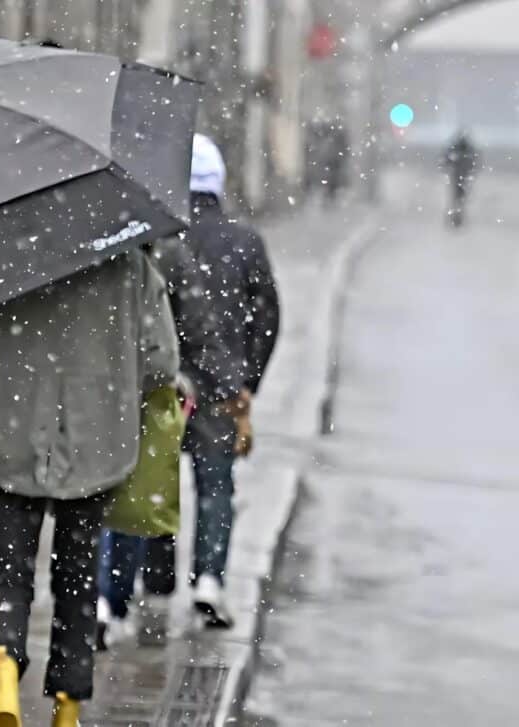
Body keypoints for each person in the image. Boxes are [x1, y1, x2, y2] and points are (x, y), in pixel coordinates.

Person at [0, 248, 178, 726]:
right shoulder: (127, 262)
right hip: (96, 436)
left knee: (8, 570)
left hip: (6, 431)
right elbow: (161, 361)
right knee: (77, 577)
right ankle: (67, 704)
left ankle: (4, 669)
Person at [95, 229, 243, 648]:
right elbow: (192, 337)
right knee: (129, 504)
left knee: (110, 504)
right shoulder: (159, 257)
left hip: (106, 402)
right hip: (133, 401)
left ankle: (108, 600)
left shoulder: (93, 249)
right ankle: (113, 601)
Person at [184, 134, 282, 627]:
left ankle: (153, 584)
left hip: (165, 384)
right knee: (215, 484)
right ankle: (209, 578)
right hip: (222, 384)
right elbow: (268, 313)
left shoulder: (163, 235)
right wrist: (249, 378)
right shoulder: (244, 240)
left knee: (155, 485)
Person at [442, 129, 480, 227]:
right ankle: (457, 217)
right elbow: (474, 162)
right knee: (460, 197)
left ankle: (456, 217)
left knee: (456, 197)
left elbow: (446, 160)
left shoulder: (456, 149)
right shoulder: (468, 150)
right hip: (462, 176)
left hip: (457, 175)